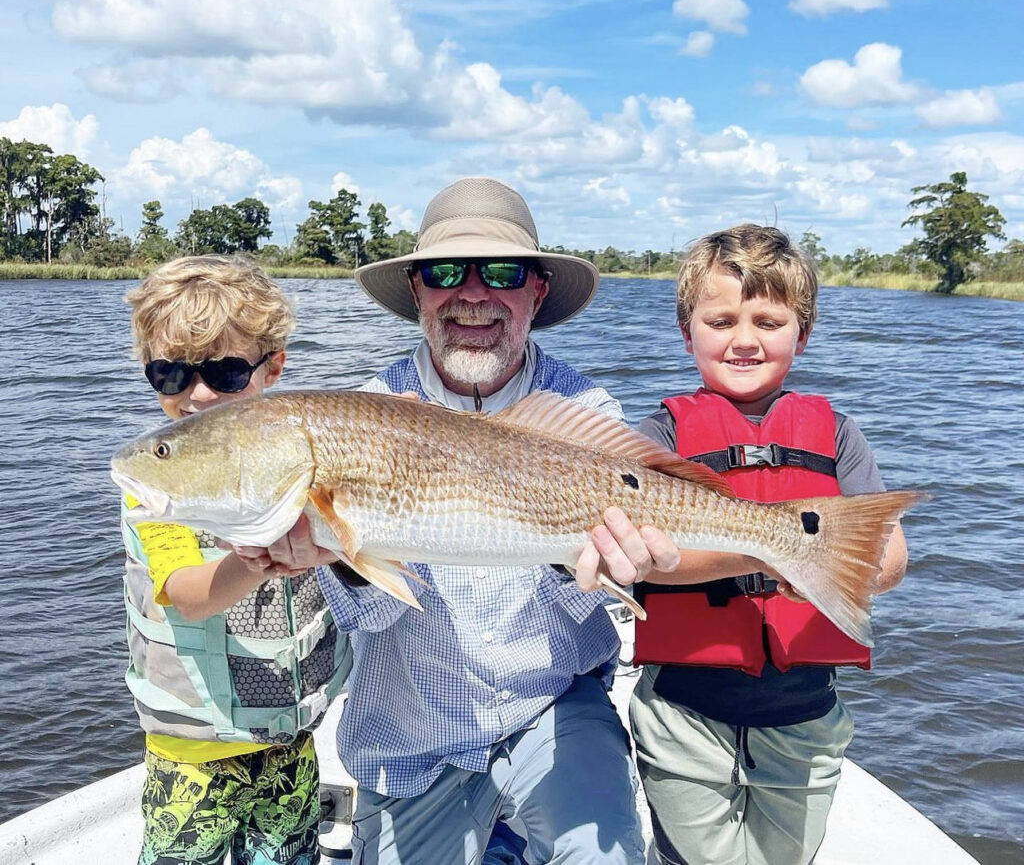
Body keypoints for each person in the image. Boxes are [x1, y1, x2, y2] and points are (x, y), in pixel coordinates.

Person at [236, 177, 680, 865]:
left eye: (500, 272)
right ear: (417, 291)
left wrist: (595, 560)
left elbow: (606, 582)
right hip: (413, 739)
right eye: (445, 272)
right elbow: (374, 619)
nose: (472, 293)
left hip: (555, 711)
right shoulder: (358, 415)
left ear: (536, 290)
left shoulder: (585, 414)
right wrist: (332, 547)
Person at [619, 224, 909, 865]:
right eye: (720, 320)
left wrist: (857, 569)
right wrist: (764, 553)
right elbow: (647, 562)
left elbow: (888, 553)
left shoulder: (837, 434)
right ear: (686, 330)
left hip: (804, 717)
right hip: (683, 714)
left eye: (768, 322)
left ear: (801, 334)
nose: (743, 339)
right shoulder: (653, 437)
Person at [121, 255, 351, 865]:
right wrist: (257, 559)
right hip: (191, 760)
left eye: (225, 372)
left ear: (273, 367)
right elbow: (189, 596)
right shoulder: (159, 483)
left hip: (288, 743)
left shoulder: (306, 460)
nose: (197, 395)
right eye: (170, 374)